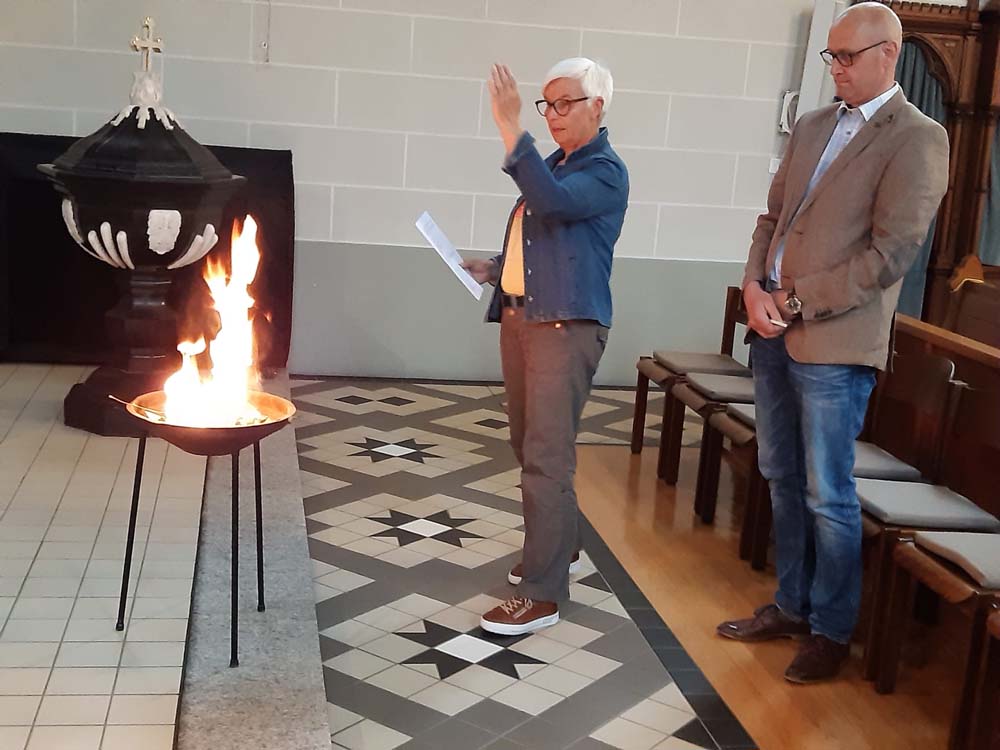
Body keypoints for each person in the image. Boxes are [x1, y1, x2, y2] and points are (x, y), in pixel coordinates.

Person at [716, 2, 949, 683]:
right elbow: (771, 218)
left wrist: (793, 301)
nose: (836, 69)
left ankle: (831, 630)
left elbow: (888, 255)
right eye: (832, 56)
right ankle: (792, 605)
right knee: (779, 475)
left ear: (889, 53)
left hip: (835, 343)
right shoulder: (814, 125)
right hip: (772, 329)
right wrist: (754, 286)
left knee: (828, 492)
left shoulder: (918, 138)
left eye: (848, 57)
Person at [461, 58, 629, 636]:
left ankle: (542, 593)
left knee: (546, 457)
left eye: (564, 103)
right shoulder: (556, 165)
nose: (552, 115)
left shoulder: (604, 170)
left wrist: (511, 126)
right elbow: (545, 239)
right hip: (523, 319)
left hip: (564, 327)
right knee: (528, 444)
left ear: (597, 107)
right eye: (546, 105)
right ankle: (563, 546)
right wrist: (495, 267)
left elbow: (552, 205)